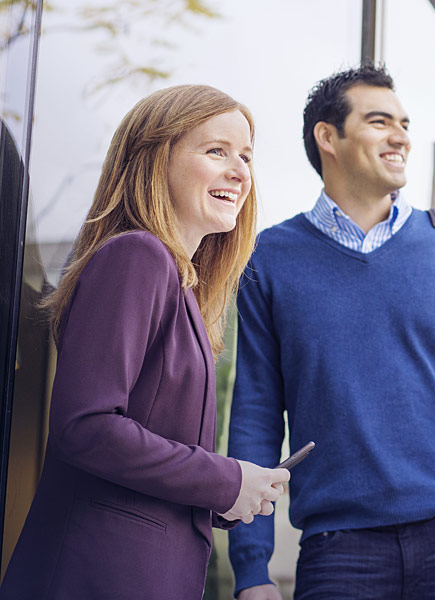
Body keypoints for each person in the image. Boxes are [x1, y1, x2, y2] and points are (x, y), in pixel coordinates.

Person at [227, 64, 435, 600]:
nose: (401, 138)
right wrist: (252, 567)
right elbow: (256, 411)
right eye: (379, 122)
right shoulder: (269, 259)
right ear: (329, 137)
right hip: (338, 554)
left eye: (405, 124)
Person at [0, 85, 289, 599]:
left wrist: (230, 494)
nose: (240, 171)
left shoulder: (182, 287)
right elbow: (86, 427)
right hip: (100, 576)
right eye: (216, 151)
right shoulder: (138, 256)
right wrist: (225, 479)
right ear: (157, 160)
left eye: (245, 156)